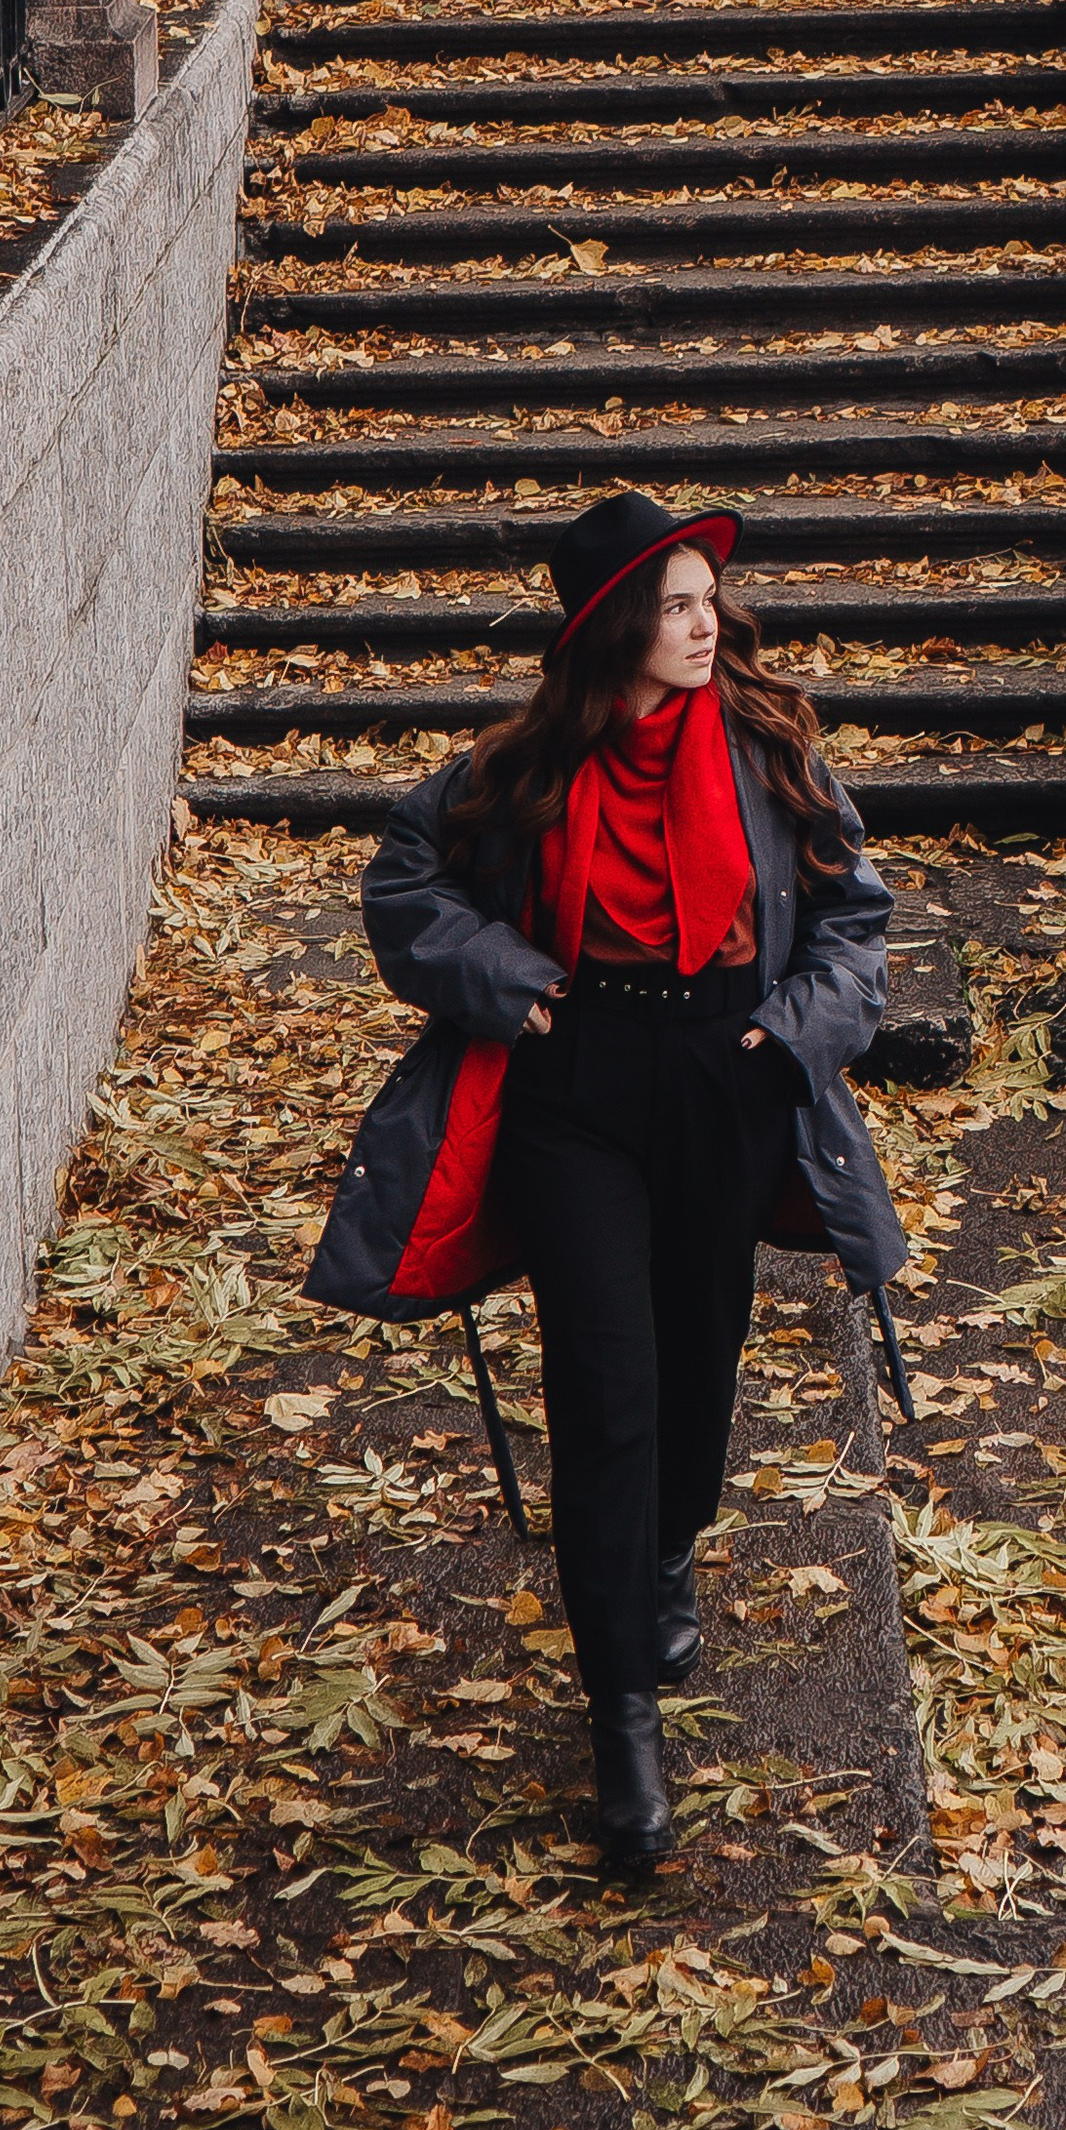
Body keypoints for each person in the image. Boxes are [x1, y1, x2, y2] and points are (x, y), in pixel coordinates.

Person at [304, 491, 904, 1871]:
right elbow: (403, 885)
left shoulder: (771, 750)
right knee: (602, 1385)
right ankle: (621, 1713)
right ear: (612, 627)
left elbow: (855, 917)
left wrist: (791, 1037)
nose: (706, 626)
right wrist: (507, 980)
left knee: (698, 1356)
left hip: (724, 1076)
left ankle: (673, 1542)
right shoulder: (521, 764)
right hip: (573, 1089)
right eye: (676, 605)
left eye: (708, 602)